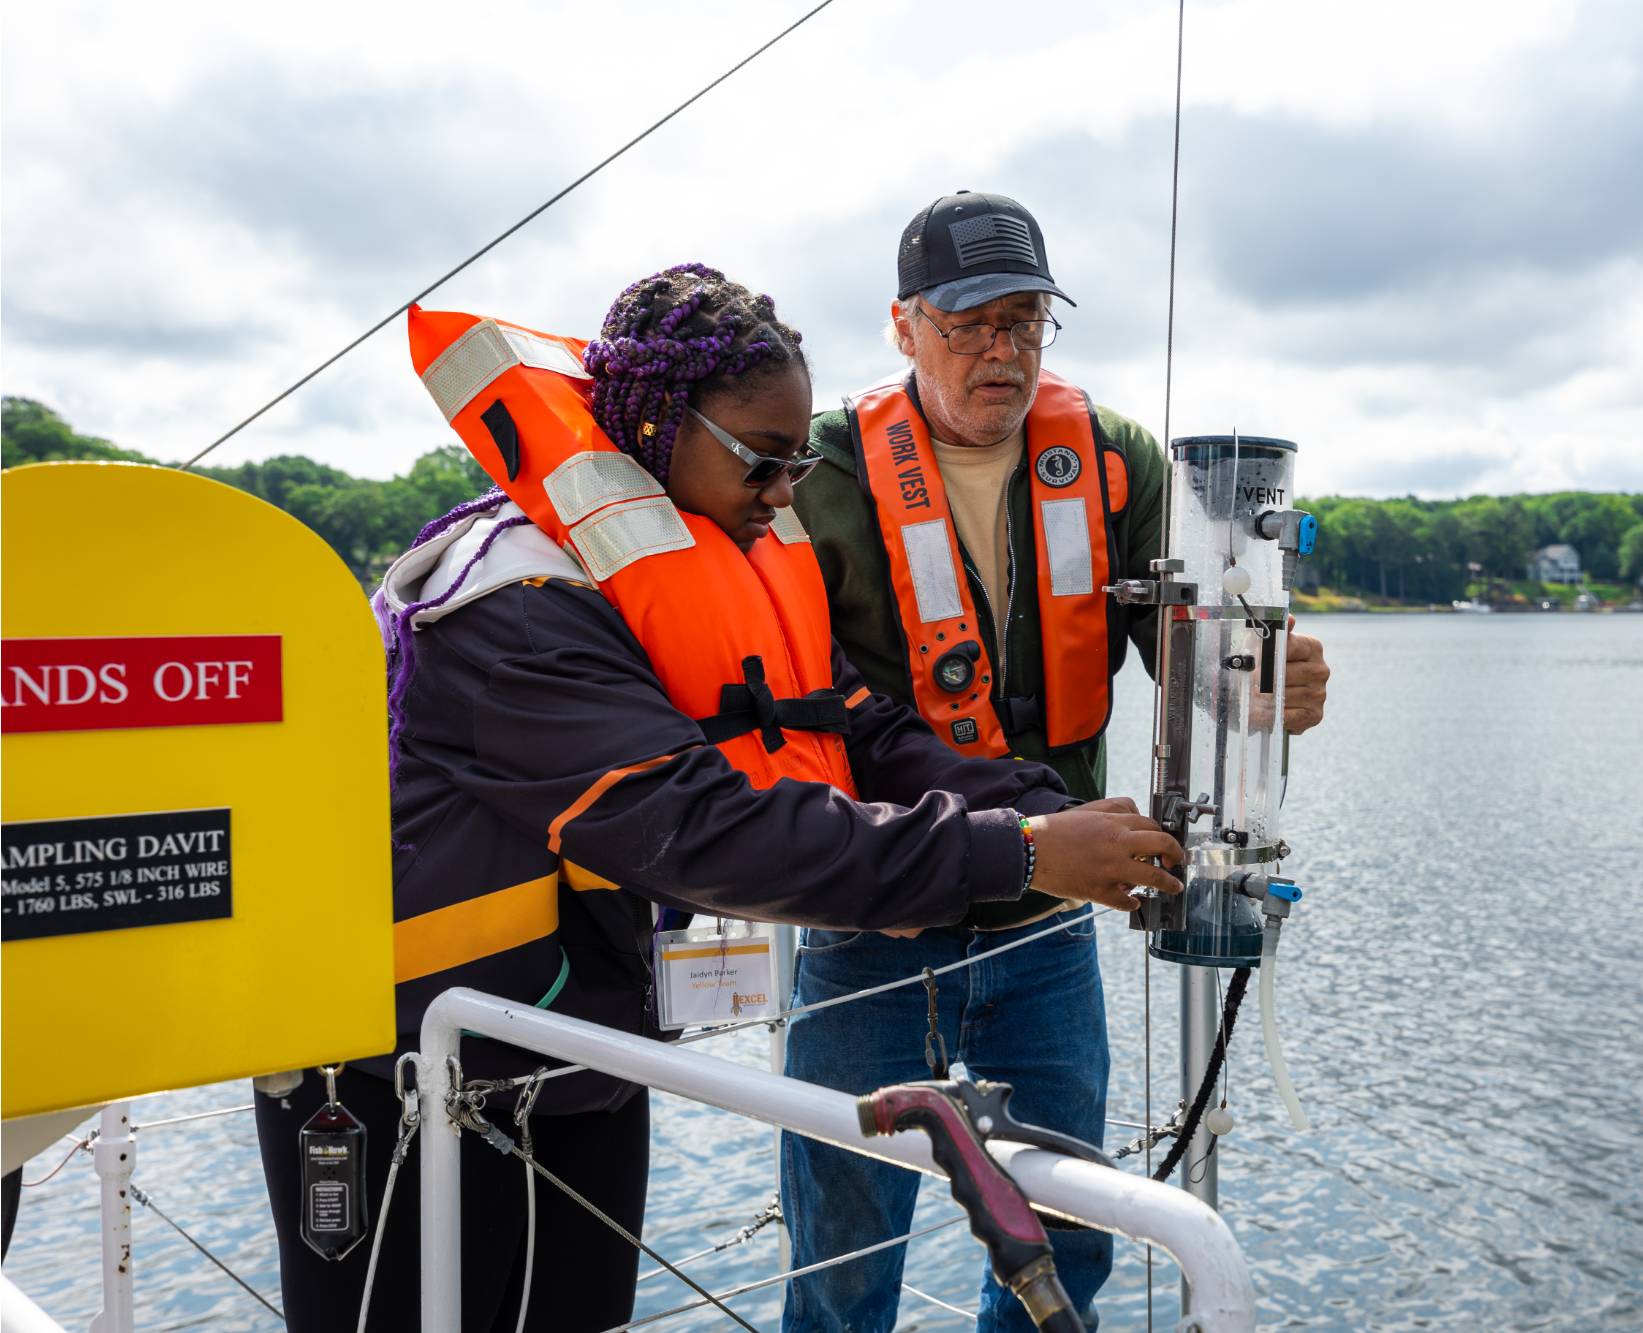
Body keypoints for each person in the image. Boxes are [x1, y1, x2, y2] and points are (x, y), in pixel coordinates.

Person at [252, 262, 1184, 1333]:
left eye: (800, 460)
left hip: (580, 1061)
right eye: (766, 459)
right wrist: (1018, 851)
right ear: (655, 426)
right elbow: (704, 827)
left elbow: (850, 725)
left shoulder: (694, 562)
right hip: (412, 1076)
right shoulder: (512, 612)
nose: (789, 491)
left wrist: (1051, 809)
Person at [780, 193, 1330, 1331]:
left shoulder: (1113, 461)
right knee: (841, 1259)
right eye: (970, 321)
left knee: (1066, 1238)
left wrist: (1267, 682)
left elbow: (1190, 660)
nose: (1003, 350)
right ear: (902, 326)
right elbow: (801, 707)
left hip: (1045, 927)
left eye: (1026, 321)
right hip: (874, 918)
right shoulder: (817, 473)